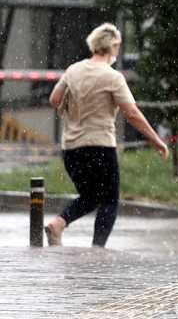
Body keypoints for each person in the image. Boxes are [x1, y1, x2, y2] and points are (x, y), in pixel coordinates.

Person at [44, 23, 169, 248]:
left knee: (90, 196)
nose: (117, 51)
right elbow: (131, 112)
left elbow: (54, 99)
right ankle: (97, 249)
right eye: (117, 46)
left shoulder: (73, 70)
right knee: (110, 199)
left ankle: (58, 223)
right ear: (112, 46)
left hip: (71, 148)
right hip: (100, 146)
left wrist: (73, 114)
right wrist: (156, 140)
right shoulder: (112, 77)